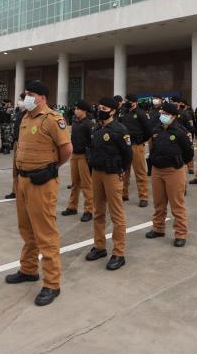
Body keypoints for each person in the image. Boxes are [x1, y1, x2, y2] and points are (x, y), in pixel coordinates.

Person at [5, 81, 71, 307]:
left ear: (42, 97)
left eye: (30, 94)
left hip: (42, 182)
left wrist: (52, 168)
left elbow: (66, 150)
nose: (26, 98)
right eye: (26, 95)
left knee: (45, 232)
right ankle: (28, 269)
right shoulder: (26, 117)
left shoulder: (52, 119)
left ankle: (52, 283)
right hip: (23, 181)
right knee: (26, 229)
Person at [84, 97, 132, 270]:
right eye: (99, 107)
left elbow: (128, 155)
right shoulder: (97, 128)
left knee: (116, 215)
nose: (100, 110)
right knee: (98, 212)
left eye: (104, 107)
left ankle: (119, 253)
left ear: (112, 111)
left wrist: (121, 171)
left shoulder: (120, 130)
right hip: (97, 173)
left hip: (112, 174)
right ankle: (99, 246)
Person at [146, 102, 192, 246]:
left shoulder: (180, 132)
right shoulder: (156, 130)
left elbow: (189, 153)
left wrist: (177, 163)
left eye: (166, 114)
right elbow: (152, 148)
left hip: (174, 170)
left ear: (173, 116)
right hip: (157, 170)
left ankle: (181, 234)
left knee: (177, 204)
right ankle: (158, 228)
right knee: (159, 203)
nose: (162, 116)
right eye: (162, 114)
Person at [116, 93, 153, 207]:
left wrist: (141, 140)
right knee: (124, 172)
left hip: (137, 146)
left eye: (128, 101)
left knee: (140, 172)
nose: (126, 102)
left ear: (134, 102)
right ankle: (123, 194)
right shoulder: (123, 113)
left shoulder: (141, 114)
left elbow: (148, 130)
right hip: (125, 147)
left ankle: (143, 196)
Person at [63, 100, 95, 222]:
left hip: (83, 157)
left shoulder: (89, 124)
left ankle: (88, 210)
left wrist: (90, 155)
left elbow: (93, 142)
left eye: (78, 109)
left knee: (86, 184)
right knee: (75, 183)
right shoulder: (76, 122)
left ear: (84, 111)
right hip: (74, 155)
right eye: (75, 108)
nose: (75, 110)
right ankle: (72, 206)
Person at [5, 92, 27, 200]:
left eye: (21, 99)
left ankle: (22, 191)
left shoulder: (29, 114)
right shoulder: (19, 113)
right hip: (16, 142)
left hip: (24, 144)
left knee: (22, 169)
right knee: (15, 169)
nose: (19, 102)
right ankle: (15, 191)